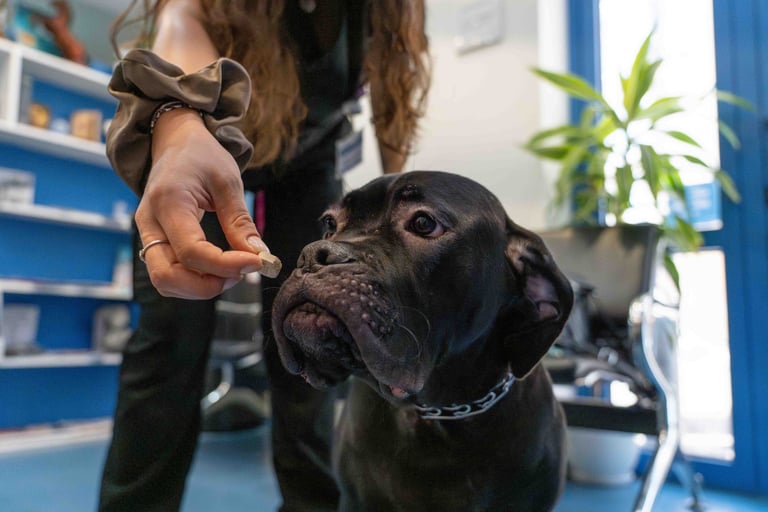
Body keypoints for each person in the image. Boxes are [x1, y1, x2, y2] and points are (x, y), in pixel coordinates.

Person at [98, 1, 431, 511]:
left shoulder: (390, 10)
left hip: (308, 161)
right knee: (170, 338)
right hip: (204, 143)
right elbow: (183, 17)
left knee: (316, 339)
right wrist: (178, 121)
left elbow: (392, 90)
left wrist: (392, 213)